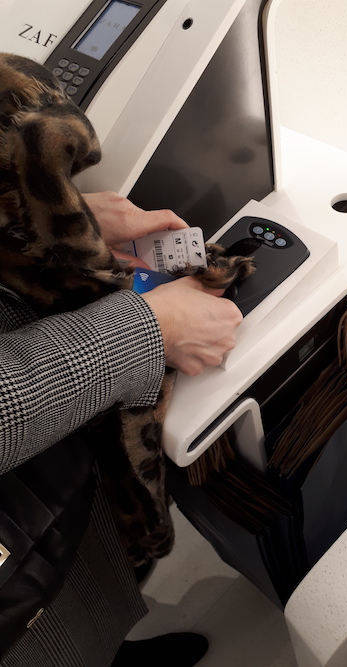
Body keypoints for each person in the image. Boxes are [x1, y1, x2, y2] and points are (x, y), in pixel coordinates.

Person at [0, 190, 243, 667]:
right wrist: (149, 329)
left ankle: (106, 652)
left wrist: (34, 220)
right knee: (27, 628)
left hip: (46, 447)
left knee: (75, 598)